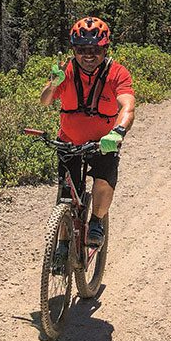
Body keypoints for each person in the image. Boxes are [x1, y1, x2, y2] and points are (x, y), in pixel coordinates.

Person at [39, 16, 136, 247]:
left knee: (103, 180)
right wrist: (52, 83)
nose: (89, 55)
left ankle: (96, 221)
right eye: (82, 49)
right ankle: (62, 245)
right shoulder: (67, 71)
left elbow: (128, 106)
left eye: (95, 49)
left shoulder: (117, 73)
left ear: (105, 48)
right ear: (74, 50)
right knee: (65, 196)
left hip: (104, 143)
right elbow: (44, 101)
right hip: (69, 142)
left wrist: (118, 132)